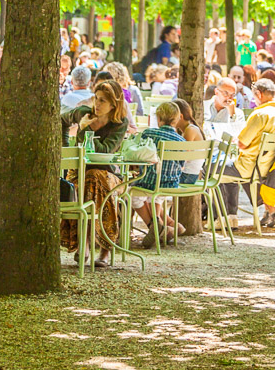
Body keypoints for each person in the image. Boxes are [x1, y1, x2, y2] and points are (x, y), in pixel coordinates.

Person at [60, 81, 130, 268]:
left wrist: (87, 129)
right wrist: (65, 147)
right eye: (96, 99)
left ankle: (90, 245)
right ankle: (97, 247)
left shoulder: (119, 123)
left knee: (95, 179)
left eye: (103, 101)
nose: (97, 104)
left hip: (108, 173)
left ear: (113, 104)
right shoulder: (84, 113)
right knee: (89, 180)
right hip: (80, 172)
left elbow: (106, 152)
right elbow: (60, 120)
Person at [221, 79, 275, 227]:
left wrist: (234, 139)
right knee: (244, 172)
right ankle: (270, 206)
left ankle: (223, 218)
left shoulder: (259, 114)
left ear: (259, 94)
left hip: (252, 167)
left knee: (212, 169)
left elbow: (242, 143)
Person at [132, 101, 189, 248]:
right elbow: (182, 165)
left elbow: (139, 157)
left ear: (158, 118)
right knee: (155, 194)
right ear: (177, 120)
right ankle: (158, 222)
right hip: (170, 183)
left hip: (149, 182)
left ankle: (153, 226)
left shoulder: (148, 133)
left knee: (133, 195)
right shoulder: (182, 141)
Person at [203, 77, 246, 145]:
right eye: (226, 93)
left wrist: (232, 115)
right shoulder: (203, 107)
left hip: (224, 152)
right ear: (216, 92)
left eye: (232, 95)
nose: (229, 98)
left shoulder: (238, 113)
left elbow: (237, 137)